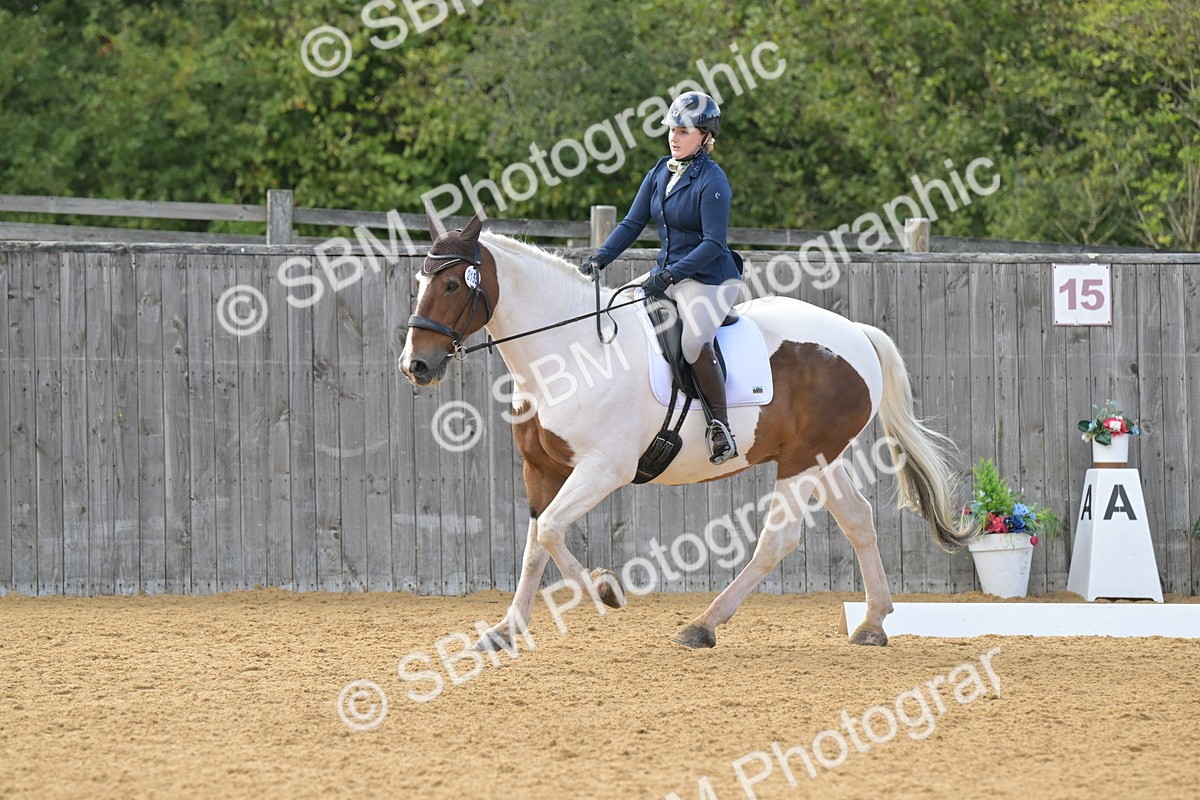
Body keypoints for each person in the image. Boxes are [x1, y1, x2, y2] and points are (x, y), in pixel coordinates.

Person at [578, 91, 743, 465]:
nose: (674, 137)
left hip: (709, 279)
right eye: (672, 130)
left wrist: (670, 275)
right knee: (619, 313)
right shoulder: (660, 172)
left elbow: (714, 243)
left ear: (705, 136)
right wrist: (600, 258)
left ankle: (720, 427)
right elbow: (632, 223)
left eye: (684, 131)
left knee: (693, 343)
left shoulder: (713, 180)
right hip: (667, 274)